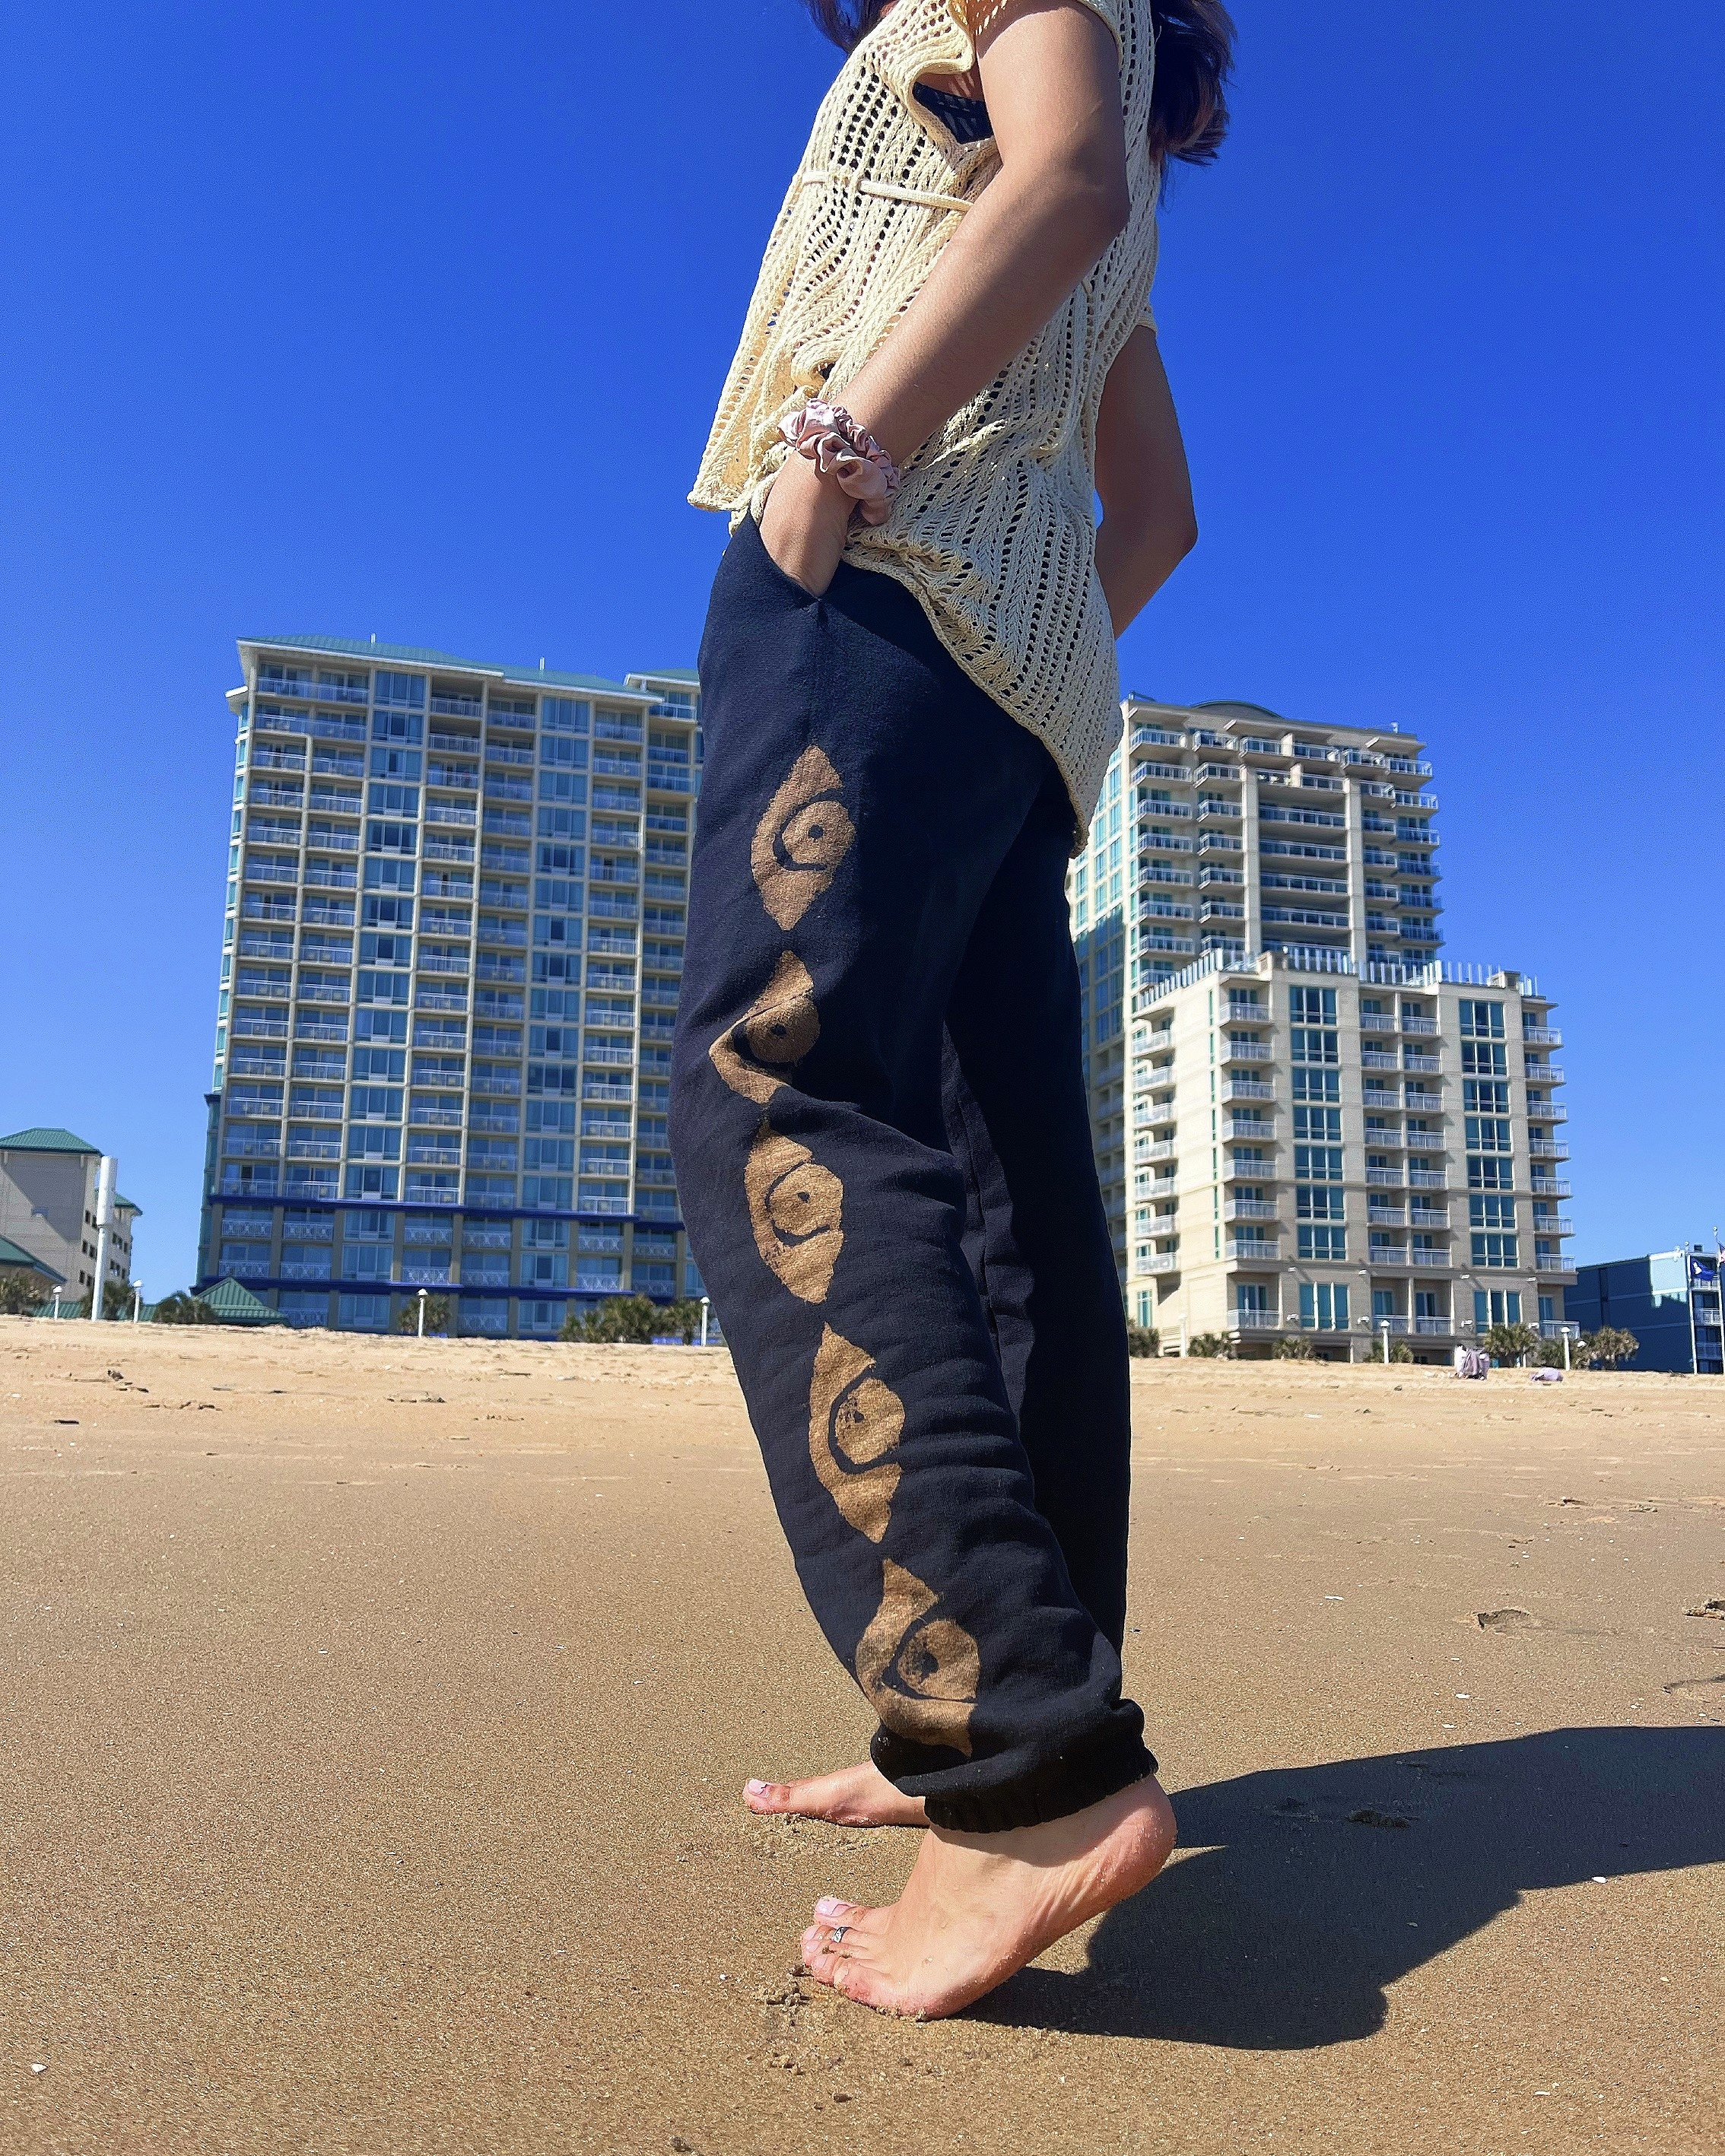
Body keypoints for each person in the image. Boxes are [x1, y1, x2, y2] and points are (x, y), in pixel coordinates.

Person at [669, 0, 1234, 2017]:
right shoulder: (1127, 121)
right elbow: (1154, 514)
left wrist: (839, 461)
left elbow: (1051, 182)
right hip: (1022, 692)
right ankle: (1012, 1714)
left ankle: (1019, 1765)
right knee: (1011, 1216)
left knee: (774, 1088)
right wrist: (1025, 614)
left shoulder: (1027, 44)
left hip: (882, 593)